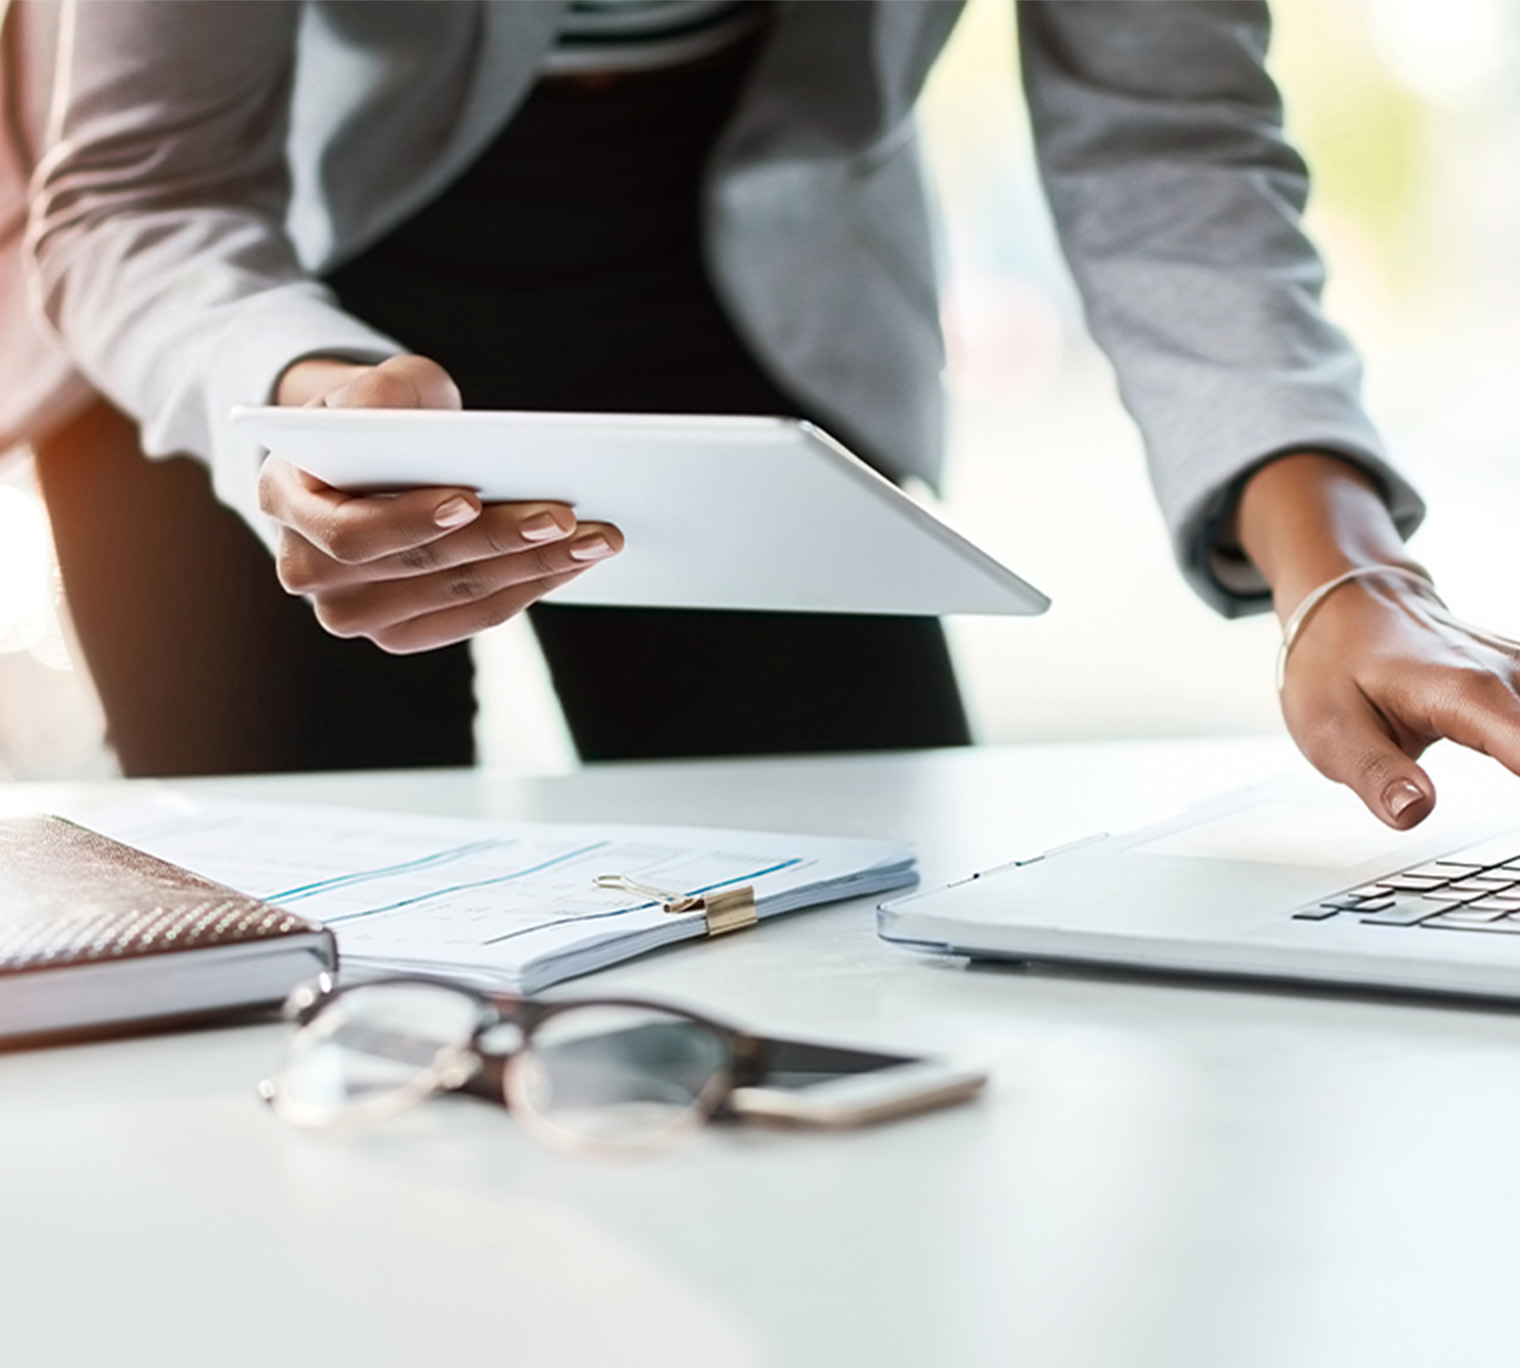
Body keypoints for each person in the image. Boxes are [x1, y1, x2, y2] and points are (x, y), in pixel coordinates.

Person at [12, 0, 1520, 828]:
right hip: (244, 304)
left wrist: (1342, 565)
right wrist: (300, 412)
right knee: (312, 943)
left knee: (859, 911)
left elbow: (1167, 148)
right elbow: (148, 193)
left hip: (739, 248)